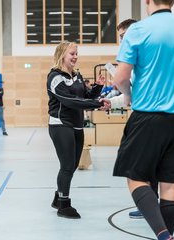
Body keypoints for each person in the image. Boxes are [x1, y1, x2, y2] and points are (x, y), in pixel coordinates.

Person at [112, 1, 174, 239]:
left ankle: (164, 235)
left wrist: (130, 96)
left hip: (148, 117)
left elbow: (121, 77)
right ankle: (167, 235)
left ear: (147, 1)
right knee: (171, 184)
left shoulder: (138, 30)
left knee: (136, 177)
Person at [115, 18, 174, 220]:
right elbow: (134, 91)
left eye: (123, 36)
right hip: (163, 119)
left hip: (152, 120)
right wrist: (116, 101)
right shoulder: (138, 61)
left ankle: (165, 211)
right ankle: (152, 206)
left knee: (144, 171)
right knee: (151, 169)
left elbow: (123, 84)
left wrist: (126, 95)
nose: (122, 41)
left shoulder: (145, 57)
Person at [46, 41, 110, 219]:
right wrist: (97, 104)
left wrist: (97, 88)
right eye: (71, 54)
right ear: (62, 55)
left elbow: (84, 97)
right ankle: (64, 205)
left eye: (76, 53)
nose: (75, 57)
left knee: (72, 165)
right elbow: (70, 101)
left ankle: (58, 197)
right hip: (60, 125)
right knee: (67, 166)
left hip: (76, 125)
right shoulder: (55, 77)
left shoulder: (78, 76)